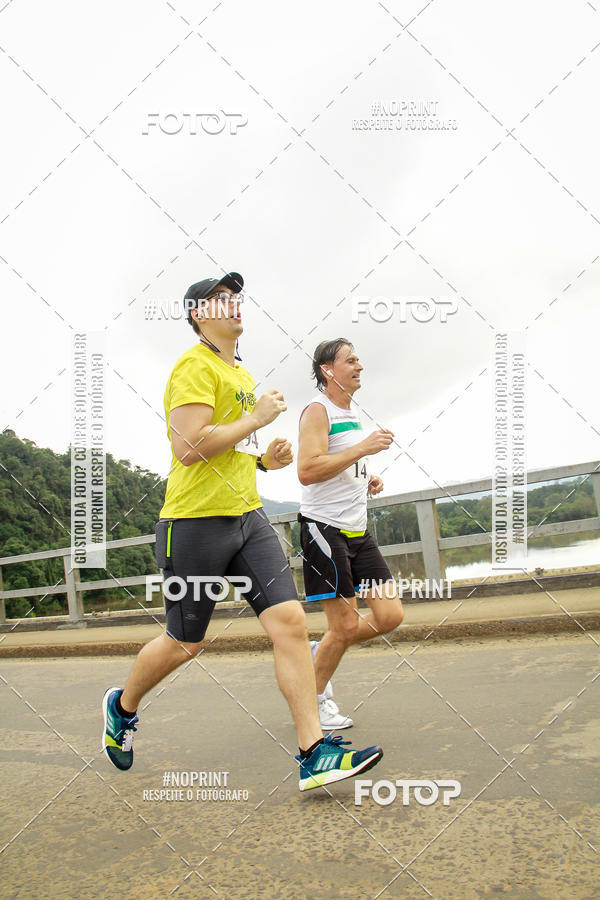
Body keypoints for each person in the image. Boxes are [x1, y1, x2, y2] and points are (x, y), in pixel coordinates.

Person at [102, 276, 383, 791]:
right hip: (192, 524)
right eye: (220, 299)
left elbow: (225, 447)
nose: (233, 305)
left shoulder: (241, 371)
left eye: (236, 297)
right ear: (196, 314)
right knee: (186, 642)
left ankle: (313, 752)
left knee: (290, 623)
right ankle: (121, 707)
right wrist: (255, 417)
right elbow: (188, 446)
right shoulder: (194, 365)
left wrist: (264, 459)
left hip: (247, 517)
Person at [297, 338, 404, 729]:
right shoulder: (316, 410)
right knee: (342, 626)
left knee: (390, 615)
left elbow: (336, 463)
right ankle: (312, 703)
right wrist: (361, 450)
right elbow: (307, 470)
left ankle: (320, 651)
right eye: (351, 360)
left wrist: (365, 477)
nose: (360, 365)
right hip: (324, 529)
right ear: (328, 370)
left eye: (360, 358)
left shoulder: (351, 411)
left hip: (358, 530)